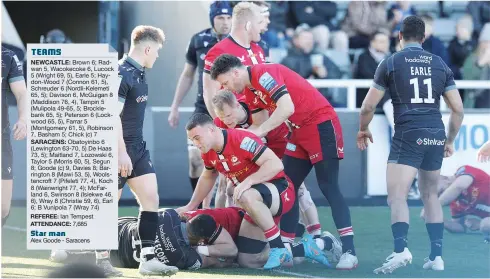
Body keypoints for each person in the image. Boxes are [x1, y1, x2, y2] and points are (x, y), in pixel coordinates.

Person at [209, 54, 358, 269]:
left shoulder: (263, 73)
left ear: (235, 72)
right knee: (286, 185)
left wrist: (256, 133)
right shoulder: (250, 92)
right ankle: (288, 247)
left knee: (329, 186)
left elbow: (286, 108)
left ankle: (349, 251)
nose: (227, 88)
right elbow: (257, 131)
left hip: (320, 124)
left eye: (225, 82)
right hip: (297, 131)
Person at [356, 15, 464, 273]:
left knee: (397, 196)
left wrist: (363, 128)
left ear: (400, 37)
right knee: (430, 196)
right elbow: (458, 109)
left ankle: (400, 250)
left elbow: (369, 104)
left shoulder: (391, 62)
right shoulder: (439, 63)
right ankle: (436, 257)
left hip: (408, 133)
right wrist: (449, 140)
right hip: (435, 133)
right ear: (424, 38)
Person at [211, 89, 341, 260]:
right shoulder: (219, 124)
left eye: (228, 115)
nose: (227, 121)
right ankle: (233, 230)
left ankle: (316, 236)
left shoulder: (256, 105)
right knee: (228, 188)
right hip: (250, 157)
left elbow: (280, 116)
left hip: (277, 148)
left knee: (297, 188)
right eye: (222, 117)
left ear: (237, 104)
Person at [177, 113, 306, 269]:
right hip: (253, 201)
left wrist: (247, 182)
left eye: (197, 137)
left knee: (244, 195)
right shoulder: (208, 151)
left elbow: (276, 165)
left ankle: (278, 247)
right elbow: (208, 176)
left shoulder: (241, 139)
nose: (195, 143)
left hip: (280, 189)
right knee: (247, 260)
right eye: (192, 140)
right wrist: (191, 206)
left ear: (211, 129)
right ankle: (306, 248)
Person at [113, 25, 178, 276]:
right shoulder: (120, 73)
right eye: (157, 51)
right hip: (117, 150)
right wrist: (120, 153)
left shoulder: (139, 73)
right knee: (109, 206)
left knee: (151, 198)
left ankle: (147, 259)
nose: (158, 56)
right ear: (148, 48)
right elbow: (111, 117)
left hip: (137, 149)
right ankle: (97, 260)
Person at [168, 1, 232, 207]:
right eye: (221, 18)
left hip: (230, 109)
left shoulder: (237, 41)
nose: (225, 22)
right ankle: (199, 210)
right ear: (212, 18)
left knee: (224, 167)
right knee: (196, 160)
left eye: (229, 17)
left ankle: (214, 213)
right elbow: (187, 75)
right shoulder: (198, 40)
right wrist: (175, 106)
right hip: (203, 108)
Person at [202, 1, 267, 119]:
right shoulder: (218, 51)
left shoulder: (258, 49)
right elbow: (211, 95)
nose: (262, 28)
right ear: (248, 26)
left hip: (262, 123)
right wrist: (224, 128)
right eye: (259, 23)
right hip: (238, 127)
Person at [420, 165, 490, 242]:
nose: (442, 195)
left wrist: (434, 206)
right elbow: (460, 227)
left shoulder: (464, 171)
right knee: (485, 224)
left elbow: (459, 186)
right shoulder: (455, 203)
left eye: (441, 191)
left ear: (445, 179)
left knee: (485, 224)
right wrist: (436, 219)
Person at [1, 47, 27, 227]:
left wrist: (23, 120)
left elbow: (22, 93)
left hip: (2, 138)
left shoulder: (8, 56)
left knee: (3, 207)